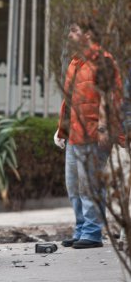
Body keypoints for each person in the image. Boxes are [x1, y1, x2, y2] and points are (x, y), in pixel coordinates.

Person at [54, 20, 125, 249]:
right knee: (74, 186)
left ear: (88, 35)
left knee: (90, 185)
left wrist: (104, 127)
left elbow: (110, 95)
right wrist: (61, 129)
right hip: (75, 134)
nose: (69, 35)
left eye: (73, 31)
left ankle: (92, 233)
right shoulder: (76, 62)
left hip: (94, 134)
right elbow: (70, 100)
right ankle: (81, 229)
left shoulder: (102, 60)